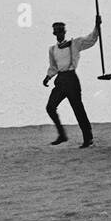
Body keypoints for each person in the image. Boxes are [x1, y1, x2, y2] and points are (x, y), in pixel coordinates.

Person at [43, 17, 100, 147]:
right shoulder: (52, 49)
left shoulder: (75, 44)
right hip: (60, 80)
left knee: (78, 108)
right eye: (56, 32)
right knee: (50, 107)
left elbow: (91, 39)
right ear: (54, 34)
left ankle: (88, 138)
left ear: (64, 32)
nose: (59, 34)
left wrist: (97, 26)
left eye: (61, 31)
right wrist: (48, 77)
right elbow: (53, 67)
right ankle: (62, 135)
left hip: (71, 79)